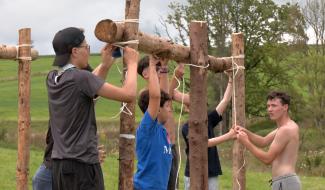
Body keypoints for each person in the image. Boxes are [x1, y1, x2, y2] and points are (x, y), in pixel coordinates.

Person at [46, 27, 138, 190]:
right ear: (75, 51)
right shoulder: (81, 78)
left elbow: (88, 86)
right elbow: (129, 94)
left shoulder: (53, 78)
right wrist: (132, 64)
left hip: (60, 167)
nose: (89, 51)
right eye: (86, 47)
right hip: (83, 167)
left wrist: (104, 65)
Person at [32, 65, 106, 190]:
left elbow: (91, 83)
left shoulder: (74, 104)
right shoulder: (68, 108)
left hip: (58, 170)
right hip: (53, 171)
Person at [171, 65, 235, 190]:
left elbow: (225, 101)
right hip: (193, 173)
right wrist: (229, 135)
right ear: (187, 108)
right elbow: (204, 143)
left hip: (211, 171)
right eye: (193, 106)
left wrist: (231, 80)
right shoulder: (186, 127)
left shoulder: (209, 120)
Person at [235, 91, 301, 190]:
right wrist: (245, 131)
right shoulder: (284, 127)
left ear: (285, 107)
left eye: (274, 106)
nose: (269, 109)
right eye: (268, 106)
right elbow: (263, 141)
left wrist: (246, 143)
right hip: (283, 181)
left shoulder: (286, 129)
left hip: (286, 182)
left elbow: (267, 159)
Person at [137, 55, 179, 190]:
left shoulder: (161, 130)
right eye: (156, 68)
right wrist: (151, 61)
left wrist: (165, 68)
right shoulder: (149, 127)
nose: (169, 110)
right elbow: (156, 97)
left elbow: (163, 96)